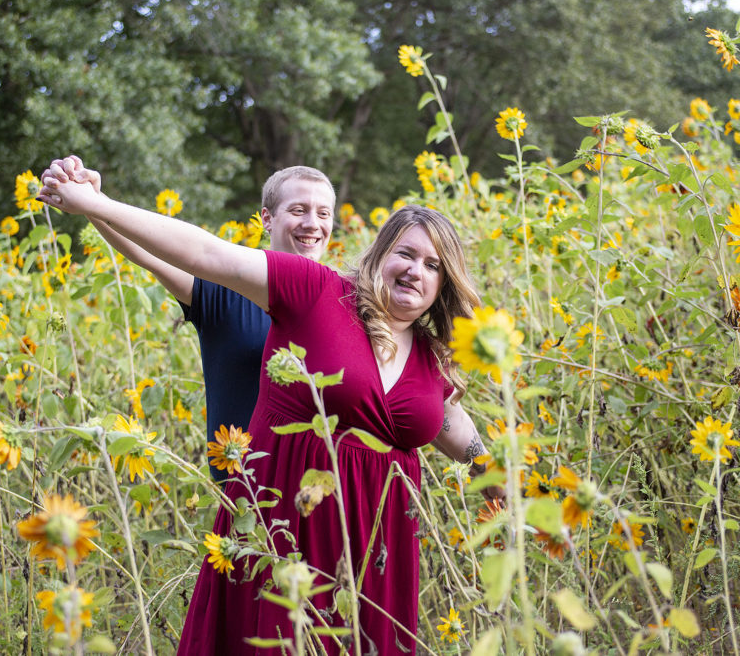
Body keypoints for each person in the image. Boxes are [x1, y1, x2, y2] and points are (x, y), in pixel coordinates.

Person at [39, 163, 499, 655]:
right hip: (283, 526)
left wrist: (491, 470)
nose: (416, 270)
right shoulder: (316, 292)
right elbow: (206, 253)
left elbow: (444, 418)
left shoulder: (430, 355)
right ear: (380, 254)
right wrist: (95, 206)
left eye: (433, 265)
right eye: (406, 254)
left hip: (377, 548)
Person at [41, 157, 336, 481]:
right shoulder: (225, 290)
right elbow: (152, 254)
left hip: (325, 496)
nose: (312, 223)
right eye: (298, 210)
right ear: (267, 219)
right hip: (248, 499)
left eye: (323, 213)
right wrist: (94, 203)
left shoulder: (346, 301)